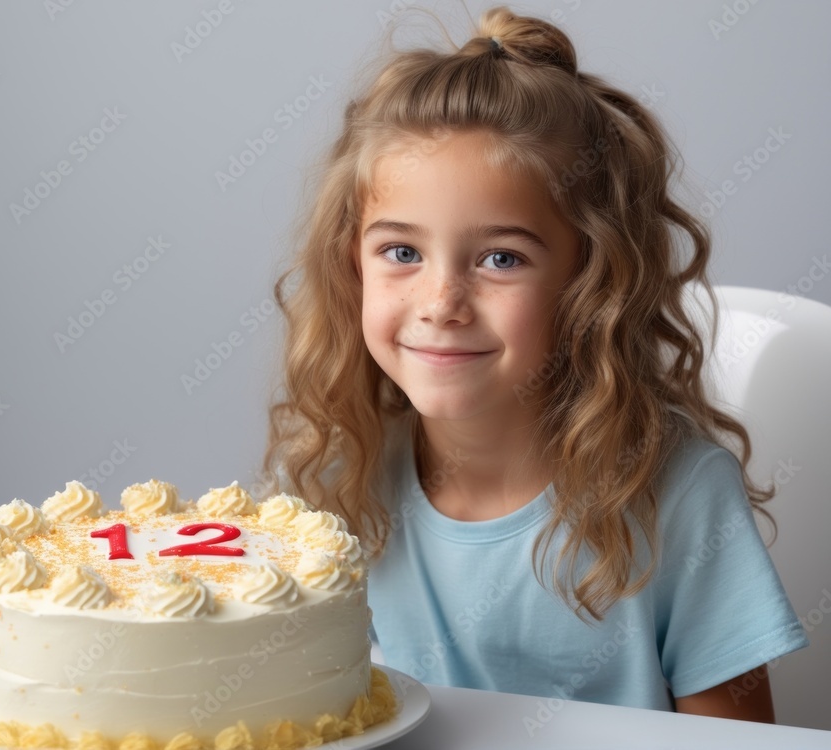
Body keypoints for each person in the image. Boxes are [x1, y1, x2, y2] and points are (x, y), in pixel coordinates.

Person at [260, 5, 808, 723]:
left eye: (500, 258)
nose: (441, 301)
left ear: (591, 283)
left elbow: (738, 744)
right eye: (402, 253)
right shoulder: (340, 477)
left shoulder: (677, 495)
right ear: (350, 267)